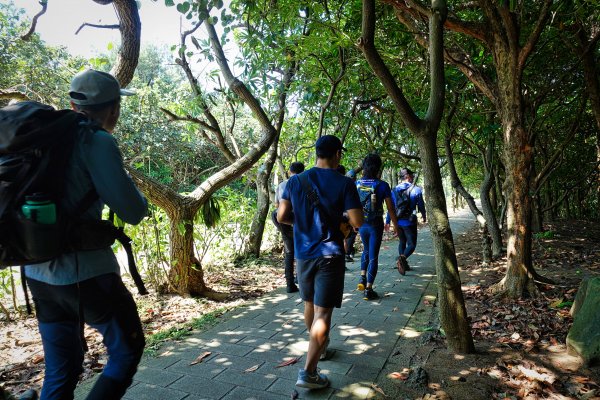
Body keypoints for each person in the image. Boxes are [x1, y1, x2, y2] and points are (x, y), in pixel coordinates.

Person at [23, 69, 148, 400]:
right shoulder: (96, 140)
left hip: (36, 272)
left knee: (62, 367)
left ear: (72, 103)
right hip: (87, 275)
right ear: (113, 109)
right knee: (126, 350)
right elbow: (133, 212)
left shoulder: (42, 137)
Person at [278, 135, 363, 390]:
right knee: (323, 313)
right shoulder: (345, 183)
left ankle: (320, 349)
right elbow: (358, 222)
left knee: (310, 304)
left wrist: (302, 223)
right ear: (337, 153)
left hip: (303, 254)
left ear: (316, 153)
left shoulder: (294, 181)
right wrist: (345, 221)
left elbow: (282, 216)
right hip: (329, 254)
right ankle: (309, 373)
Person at [355, 154, 401, 300]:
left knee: (366, 250)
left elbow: (353, 205)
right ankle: (368, 289)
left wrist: (353, 223)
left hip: (362, 223)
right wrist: (396, 226)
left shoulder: (356, 184)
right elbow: (391, 209)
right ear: (378, 168)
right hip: (375, 224)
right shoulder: (382, 185)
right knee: (374, 255)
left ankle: (362, 278)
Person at [271, 161, 305, 293]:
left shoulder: (281, 185)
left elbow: (277, 206)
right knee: (299, 248)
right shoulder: (302, 183)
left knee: (289, 251)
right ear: (303, 171)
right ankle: (299, 279)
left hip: (280, 218)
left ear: (290, 172)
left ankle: (290, 284)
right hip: (296, 219)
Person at [387, 167, 426, 274]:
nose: (413, 177)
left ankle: (404, 265)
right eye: (412, 175)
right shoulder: (416, 189)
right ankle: (402, 259)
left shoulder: (393, 190)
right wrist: (424, 216)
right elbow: (421, 205)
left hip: (398, 221)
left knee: (402, 242)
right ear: (407, 176)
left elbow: (390, 208)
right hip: (410, 222)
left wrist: (387, 221)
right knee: (412, 245)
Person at [344, 169, 358, 262]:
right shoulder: (353, 186)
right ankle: (347, 253)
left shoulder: (345, 185)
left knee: (350, 235)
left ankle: (350, 251)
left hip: (347, 214)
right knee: (350, 235)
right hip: (349, 214)